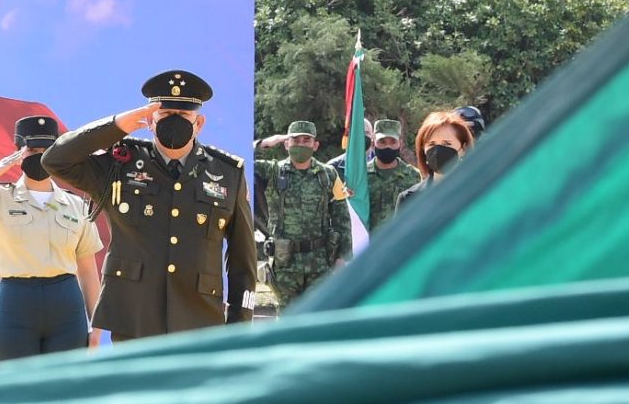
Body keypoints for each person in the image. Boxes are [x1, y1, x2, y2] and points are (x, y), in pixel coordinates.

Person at [42, 69, 257, 341]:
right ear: (150, 121)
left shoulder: (227, 173)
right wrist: (117, 125)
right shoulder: (119, 164)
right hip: (133, 318)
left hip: (200, 319)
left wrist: (239, 329)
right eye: (165, 114)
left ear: (199, 123)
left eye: (183, 115)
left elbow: (242, 260)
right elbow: (55, 160)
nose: (174, 121)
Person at [0, 114, 104, 359]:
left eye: (47, 150)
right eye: (32, 150)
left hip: (66, 307)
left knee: (68, 383)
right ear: (19, 152)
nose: (40, 156)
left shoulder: (76, 205)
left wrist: (96, 326)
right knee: (15, 381)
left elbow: (88, 271)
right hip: (15, 303)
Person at [260, 119, 352, 307]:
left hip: (320, 263)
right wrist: (264, 143)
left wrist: (342, 257)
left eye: (306, 140)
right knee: (287, 318)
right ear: (286, 144)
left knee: (318, 316)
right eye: (295, 140)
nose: (301, 144)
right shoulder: (272, 171)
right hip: (285, 264)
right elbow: (240, 158)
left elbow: (342, 218)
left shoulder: (328, 175)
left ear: (315, 145)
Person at [397, 109, 475, 210]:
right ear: (423, 149)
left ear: (464, 148)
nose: (438, 150)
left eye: (447, 143)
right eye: (431, 144)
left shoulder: (479, 195)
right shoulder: (409, 199)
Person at [363, 118, 420, 231]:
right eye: (382, 142)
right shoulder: (361, 176)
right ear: (373, 143)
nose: (387, 147)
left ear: (400, 144)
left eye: (393, 142)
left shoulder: (414, 176)